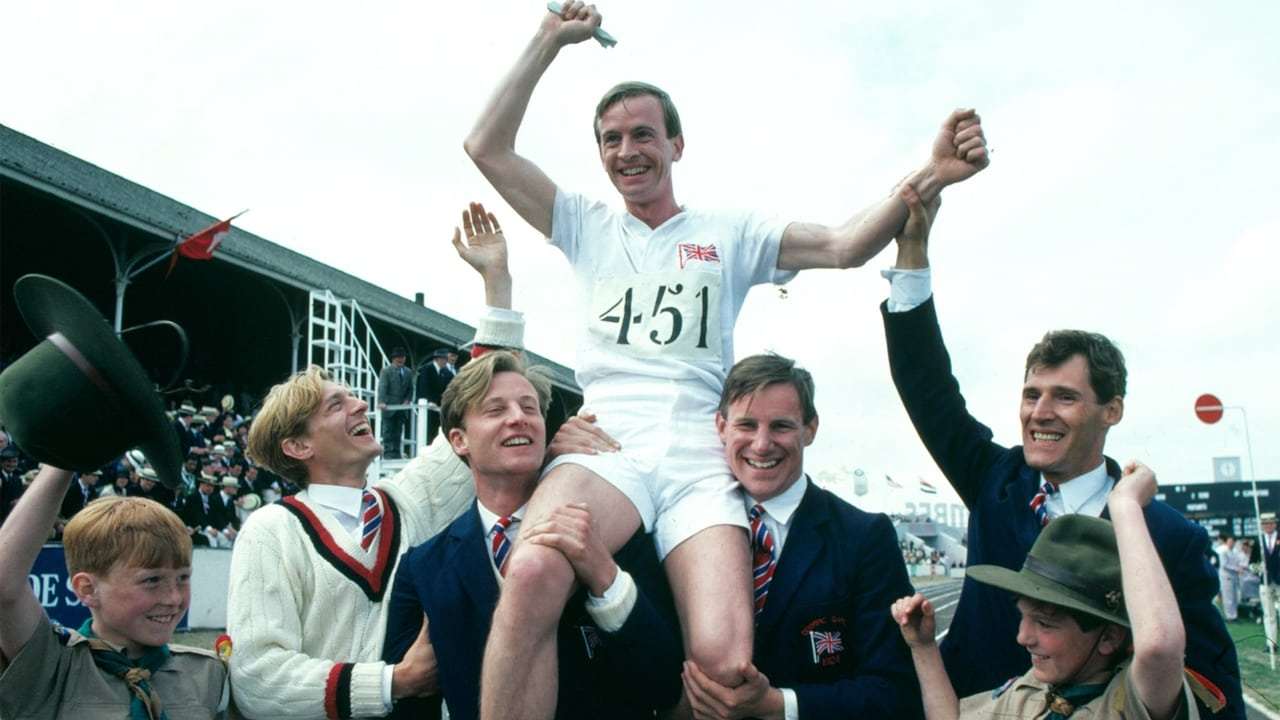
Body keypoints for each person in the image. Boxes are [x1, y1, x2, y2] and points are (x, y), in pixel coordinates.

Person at [463, 3, 989, 716]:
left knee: (726, 664)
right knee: (530, 574)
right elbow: (487, 146)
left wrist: (932, 174)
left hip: (699, 458)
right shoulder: (584, 224)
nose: (627, 151)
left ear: (676, 144)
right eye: (612, 139)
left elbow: (845, 245)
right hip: (608, 445)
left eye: (643, 134)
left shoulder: (729, 232)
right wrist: (549, 39)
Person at [226, 205, 608, 719]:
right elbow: (256, 678)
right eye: (336, 405)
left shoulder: (404, 502)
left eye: (354, 397)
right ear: (297, 446)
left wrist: (497, 284)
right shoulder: (271, 530)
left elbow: (481, 401)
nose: (360, 406)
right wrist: (394, 682)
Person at [879, 185, 1239, 716]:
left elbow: (1210, 683)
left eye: (1064, 397)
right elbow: (926, 387)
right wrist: (912, 252)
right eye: (1031, 395)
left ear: (1111, 410)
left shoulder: (1165, 536)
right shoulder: (995, 480)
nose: (1039, 413)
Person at [382, 351, 683, 720]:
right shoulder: (424, 568)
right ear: (459, 440)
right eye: (496, 410)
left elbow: (666, 685)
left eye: (530, 408)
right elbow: (411, 708)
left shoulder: (609, 529)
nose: (518, 418)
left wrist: (603, 574)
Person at [680, 353, 919, 719]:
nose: (762, 444)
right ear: (721, 426)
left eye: (780, 426)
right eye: (746, 425)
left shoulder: (865, 537)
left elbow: (895, 691)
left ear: (810, 429)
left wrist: (780, 705)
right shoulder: (683, 523)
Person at [892, 462, 1199, 720]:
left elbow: (1159, 647)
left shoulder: (1129, 702)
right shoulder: (1029, 692)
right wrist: (923, 647)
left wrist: (1125, 505)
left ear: (1109, 637)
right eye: (1023, 617)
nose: (1023, 637)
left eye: (1045, 622)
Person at [0, 470, 230, 718]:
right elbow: (4, 586)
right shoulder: (52, 666)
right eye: (152, 580)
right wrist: (61, 465)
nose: (174, 598)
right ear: (87, 589)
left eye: (183, 578)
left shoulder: (208, 674)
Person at [378, 347, 414, 458]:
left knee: (398, 431)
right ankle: (388, 454)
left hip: (402, 407)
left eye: (402, 357)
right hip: (389, 406)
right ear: (393, 359)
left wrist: (407, 400)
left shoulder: (408, 372)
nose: (400, 359)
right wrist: (381, 401)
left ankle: (397, 453)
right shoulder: (386, 371)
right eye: (398, 357)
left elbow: (410, 389)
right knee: (388, 431)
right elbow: (382, 387)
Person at [417, 349, 456, 444]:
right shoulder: (427, 369)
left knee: (436, 430)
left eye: (446, 359)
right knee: (427, 429)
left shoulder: (446, 373)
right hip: (427, 406)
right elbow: (423, 387)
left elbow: (449, 388)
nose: (445, 361)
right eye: (444, 359)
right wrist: (429, 401)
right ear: (437, 359)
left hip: (438, 407)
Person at [1216, 535, 1244, 622]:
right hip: (1226, 576)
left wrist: (1239, 568)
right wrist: (1236, 569)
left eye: (1232, 542)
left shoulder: (1235, 552)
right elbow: (1224, 565)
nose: (1230, 543)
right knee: (1228, 597)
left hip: (1234, 576)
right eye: (1229, 541)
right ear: (1227, 542)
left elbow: (1238, 562)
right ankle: (1229, 616)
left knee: (1235, 596)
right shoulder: (1223, 552)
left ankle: (1234, 615)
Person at [1262, 513, 1279, 586]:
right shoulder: (1258, 540)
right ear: (1262, 526)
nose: (1268, 526)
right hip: (1265, 581)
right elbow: (1252, 562)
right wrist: (1260, 570)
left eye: (1271, 523)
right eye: (1266, 524)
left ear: (1275, 524)